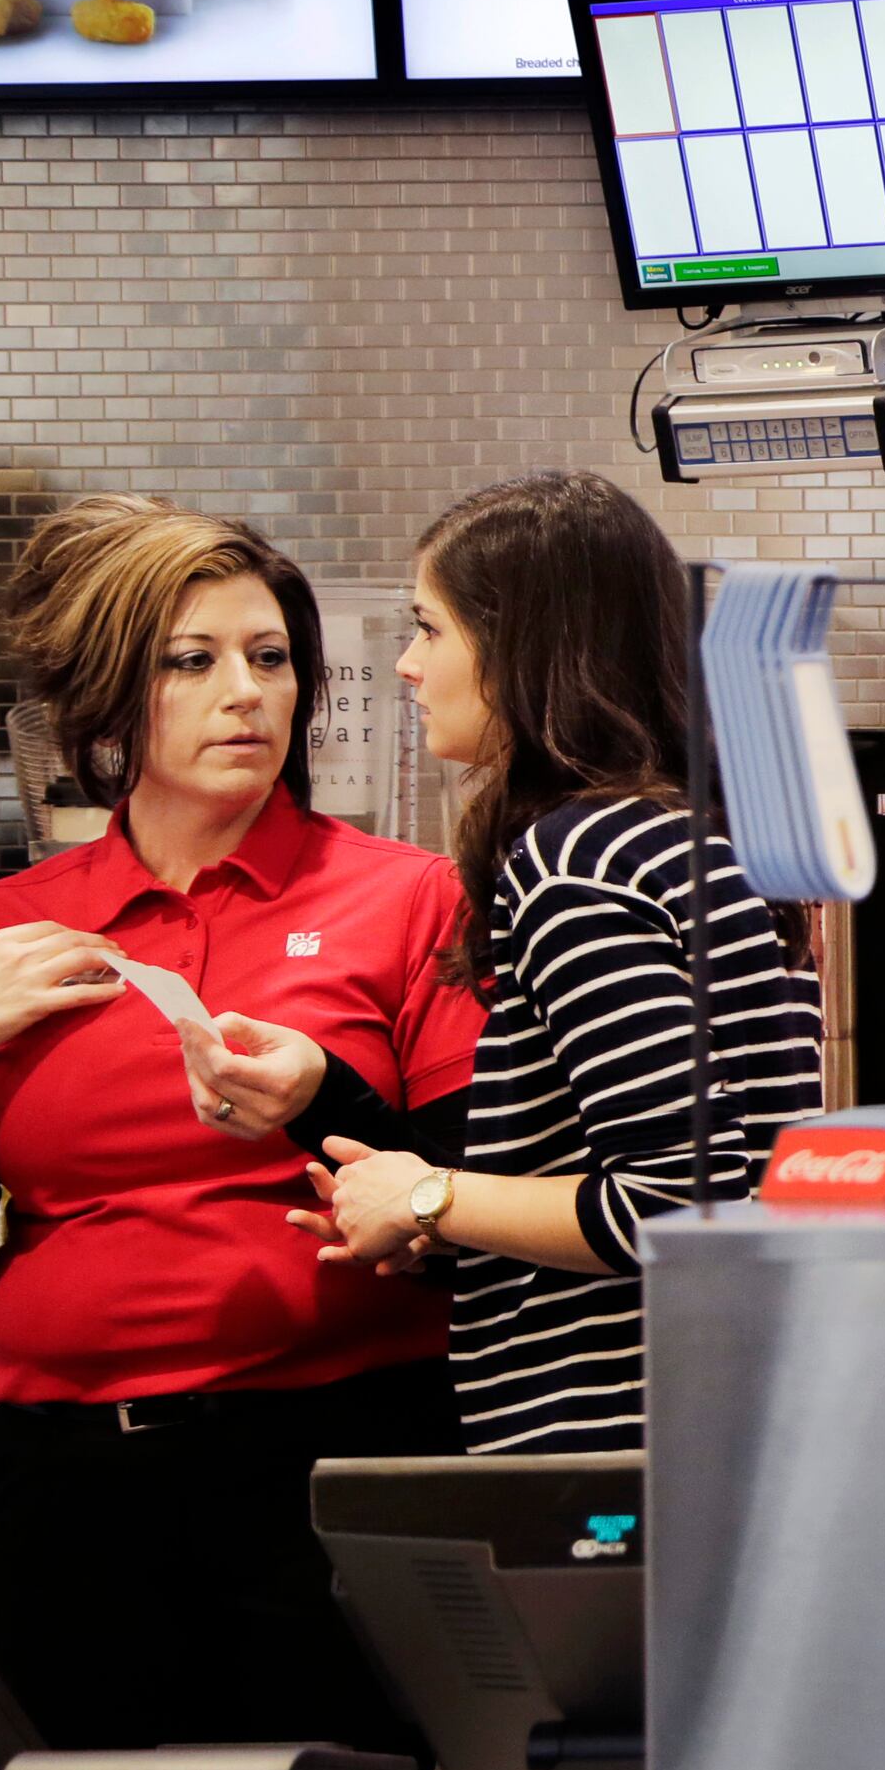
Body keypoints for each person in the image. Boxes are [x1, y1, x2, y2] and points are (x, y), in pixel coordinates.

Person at [0, 497, 483, 1750]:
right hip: (62, 1499)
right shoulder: (1, 931)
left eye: (270, 657)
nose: (246, 693)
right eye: (193, 661)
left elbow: (470, 1202)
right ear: (107, 703)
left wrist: (321, 1106)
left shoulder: (408, 898)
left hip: (331, 1477)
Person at [283, 472, 820, 1455]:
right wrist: (447, 1226)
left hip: (617, 1436)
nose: (407, 665)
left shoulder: (580, 862)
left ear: (523, 648)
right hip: (728, 1409)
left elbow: (675, 1202)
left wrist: (427, 1194)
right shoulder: (701, 836)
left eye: (431, 628)